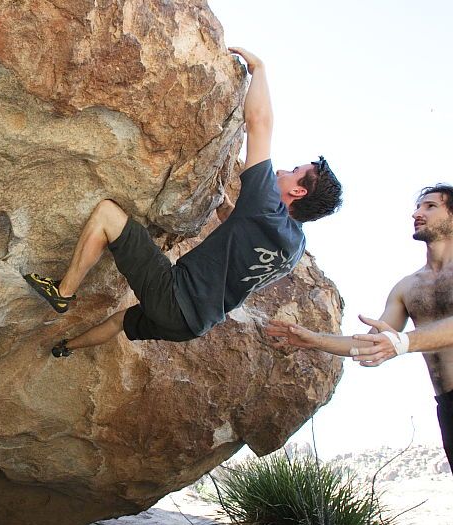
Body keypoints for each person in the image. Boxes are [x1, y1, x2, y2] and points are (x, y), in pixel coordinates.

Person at [24, 47, 343, 357]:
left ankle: (62, 293)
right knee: (123, 320)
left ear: (299, 192)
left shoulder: (266, 208)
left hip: (176, 297)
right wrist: (224, 207)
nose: (283, 170)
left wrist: (259, 69)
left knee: (107, 214)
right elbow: (244, 242)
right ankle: (66, 348)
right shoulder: (294, 246)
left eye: (295, 171)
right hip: (194, 324)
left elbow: (259, 122)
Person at [266, 184, 453, 470]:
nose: (417, 212)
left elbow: (396, 343)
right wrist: (314, 340)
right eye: (418, 206)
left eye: (430, 206)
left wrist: (402, 343)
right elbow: (373, 344)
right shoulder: (408, 287)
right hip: (447, 405)